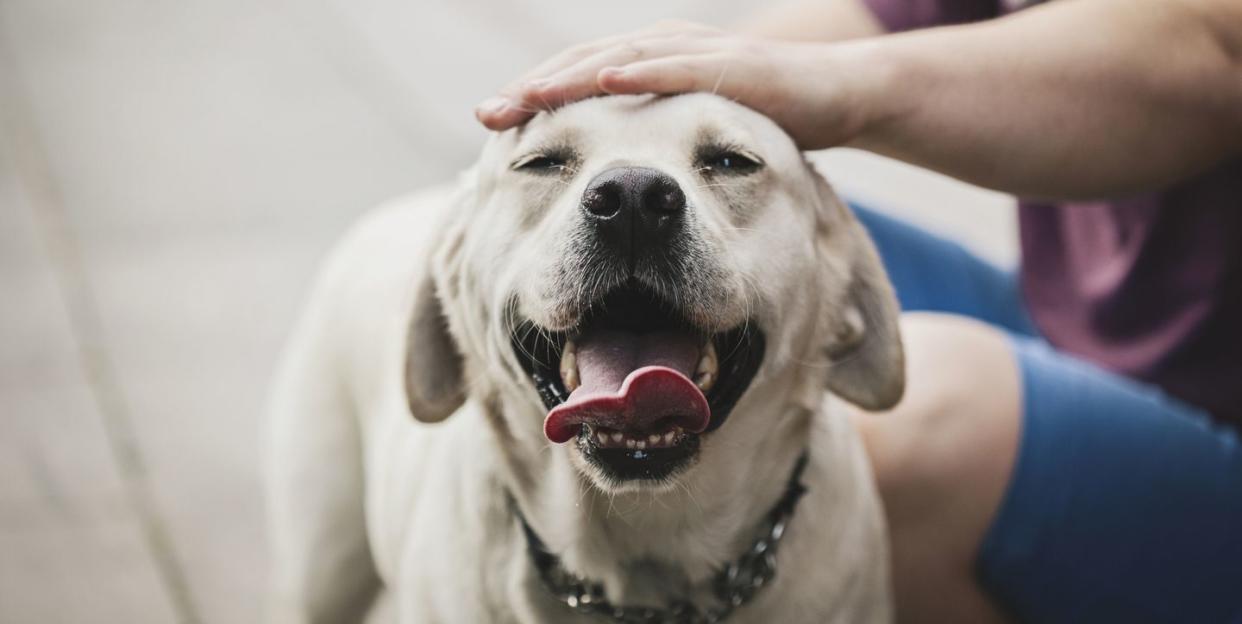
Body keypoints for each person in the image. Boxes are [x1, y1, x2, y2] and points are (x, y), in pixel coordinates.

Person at [474, 0, 1242, 622]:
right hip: (1071, 321)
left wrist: (850, 88)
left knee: (918, 418)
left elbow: (1218, 46)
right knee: (765, 219)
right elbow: (876, 19)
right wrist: (640, 102)